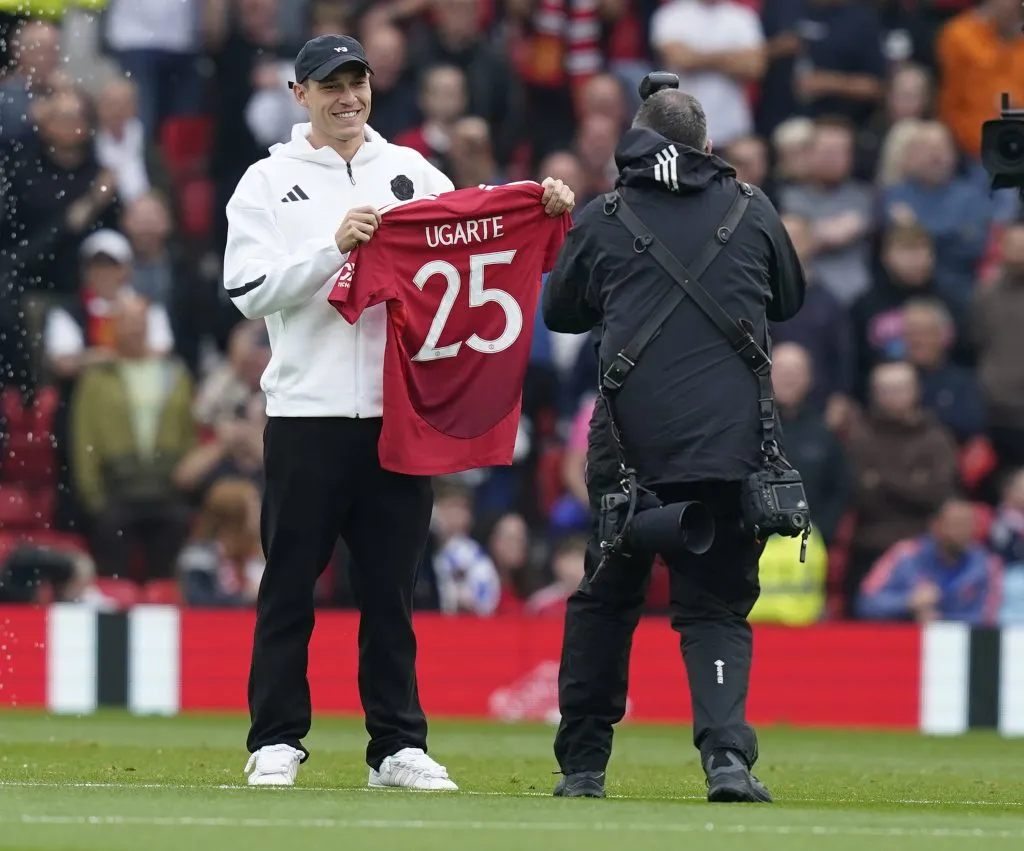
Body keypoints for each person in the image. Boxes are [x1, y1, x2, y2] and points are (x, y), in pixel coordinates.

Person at [222, 33, 574, 789]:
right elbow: (249, 290)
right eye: (330, 85)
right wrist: (333, 248)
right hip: (307, 413)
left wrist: (535, 205)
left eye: (357, 82)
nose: (346, 97)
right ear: (299, 95)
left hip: (397, 413)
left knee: (393, 590)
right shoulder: (264, 181)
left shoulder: (411, 170)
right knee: (289, 583)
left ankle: (396, 746)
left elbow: (471, 237)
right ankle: (276, 738)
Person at [542, 81, 805, 802]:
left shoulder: (606, 216)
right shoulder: (752, 210)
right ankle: (727, 761)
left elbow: (560, 312)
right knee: (715, 608)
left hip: (629, 452)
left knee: (606, 599)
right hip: (730, 445)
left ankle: (584, 768)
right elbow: (789, 298)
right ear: (709, 147)